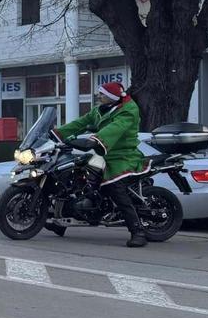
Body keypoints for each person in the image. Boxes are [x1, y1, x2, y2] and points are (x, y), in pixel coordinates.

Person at [51, 81, 147, 247]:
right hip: (105, 153)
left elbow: (115, 129)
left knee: (114, 187)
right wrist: (58, 133)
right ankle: (60, 221)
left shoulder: (129, 110)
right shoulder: (100, 109)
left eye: (102, 94)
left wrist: (95, 140)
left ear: (111, 97)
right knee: (74, 175)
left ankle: (137, 231)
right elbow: (81, 122)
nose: (98, 96)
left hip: (123, 156)